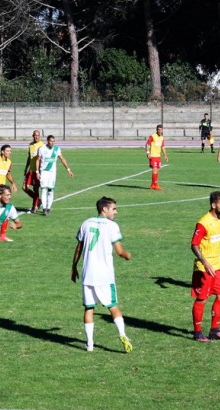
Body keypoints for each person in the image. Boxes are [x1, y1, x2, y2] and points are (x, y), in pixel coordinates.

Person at [71, 196, 133, 353]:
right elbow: (119, 251)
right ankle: (122, 334)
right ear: (104, 209)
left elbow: (79, 248)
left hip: (88, 274)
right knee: (113, 306)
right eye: (114, 209)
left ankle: (90, 344)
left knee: (89, 308)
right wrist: (127, 255)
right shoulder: (112, 226)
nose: (116, 212)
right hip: (105, 275)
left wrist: (74, 266)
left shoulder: (85, 223)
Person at [190, 191, 220, 342]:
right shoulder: (203, 222)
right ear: (213, 205)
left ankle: (215, 330)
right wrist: (205, 262)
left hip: (218, 266)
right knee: (202, 300)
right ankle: (197, 332)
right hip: (204, 269)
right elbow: (194, 245)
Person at [35, 135, 74, 215]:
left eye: (53, 141)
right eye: (51, 141)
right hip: (44, 172)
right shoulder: (42, 149)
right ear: (47, 141)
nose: (52, 143)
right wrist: (37, 172)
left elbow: (62, 159)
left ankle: (48, 207)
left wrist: (68, 169)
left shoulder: (57, 149)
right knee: (44, 189)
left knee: (51, 190)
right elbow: (38, 160)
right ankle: (44, 208)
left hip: (52, 173)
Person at [23, 130, 44, 214]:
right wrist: (26, 168)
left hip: (37, 171)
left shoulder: (42, 146)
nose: (36, 137)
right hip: (30, 171)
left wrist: (40, 171)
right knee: (24, 187)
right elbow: (29, 157)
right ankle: (38, 200)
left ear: (40, 136)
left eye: (38, 135)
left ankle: (34, 207)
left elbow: (42, 160)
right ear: (33, 136)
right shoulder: (31, 145)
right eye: (35, 135)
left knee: (35, 189)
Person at [145, 124, 168, 190]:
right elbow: (147, 144)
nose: (160, 131)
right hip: (153, 156)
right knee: (154, 169)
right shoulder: (152, 136)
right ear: (156, 130)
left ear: (162, 130)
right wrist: (148, 152)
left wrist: (165, 155)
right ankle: (155, 185)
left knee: (157, 170)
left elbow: (163, 147)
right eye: (158, 130)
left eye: (161, 130)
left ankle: (153, 184)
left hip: (158, 156)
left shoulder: (162, 138)